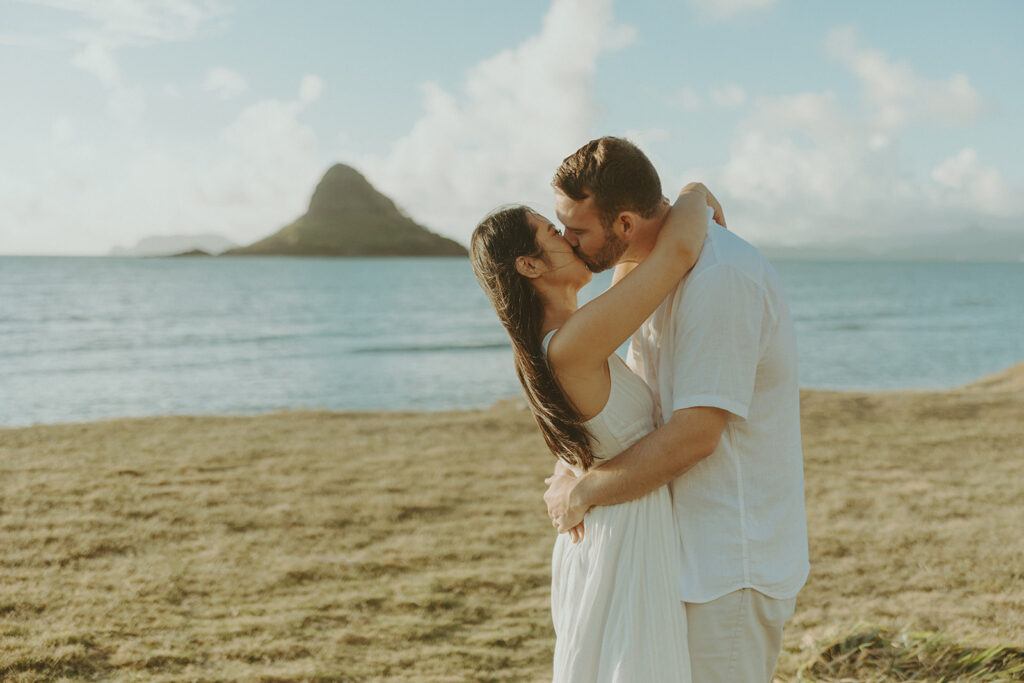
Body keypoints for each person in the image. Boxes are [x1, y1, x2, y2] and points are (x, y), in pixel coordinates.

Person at [543, 136, 810, 683]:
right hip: (673, 554)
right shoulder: (652, 276)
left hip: (727, 566)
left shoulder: (720, 278)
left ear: (623, 224)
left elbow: (695, 435)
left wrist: (584, 492)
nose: (568, 243)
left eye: (577, 230)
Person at [470, 182, 723, 682]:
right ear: (530, 265)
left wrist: (574, 473)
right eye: (552, 231)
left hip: (610, 534)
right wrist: (693, 193)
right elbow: (675, 252)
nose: (569, 238)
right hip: (623, 539)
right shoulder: (572, 344)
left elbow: (632, 266)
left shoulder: (569, 336)